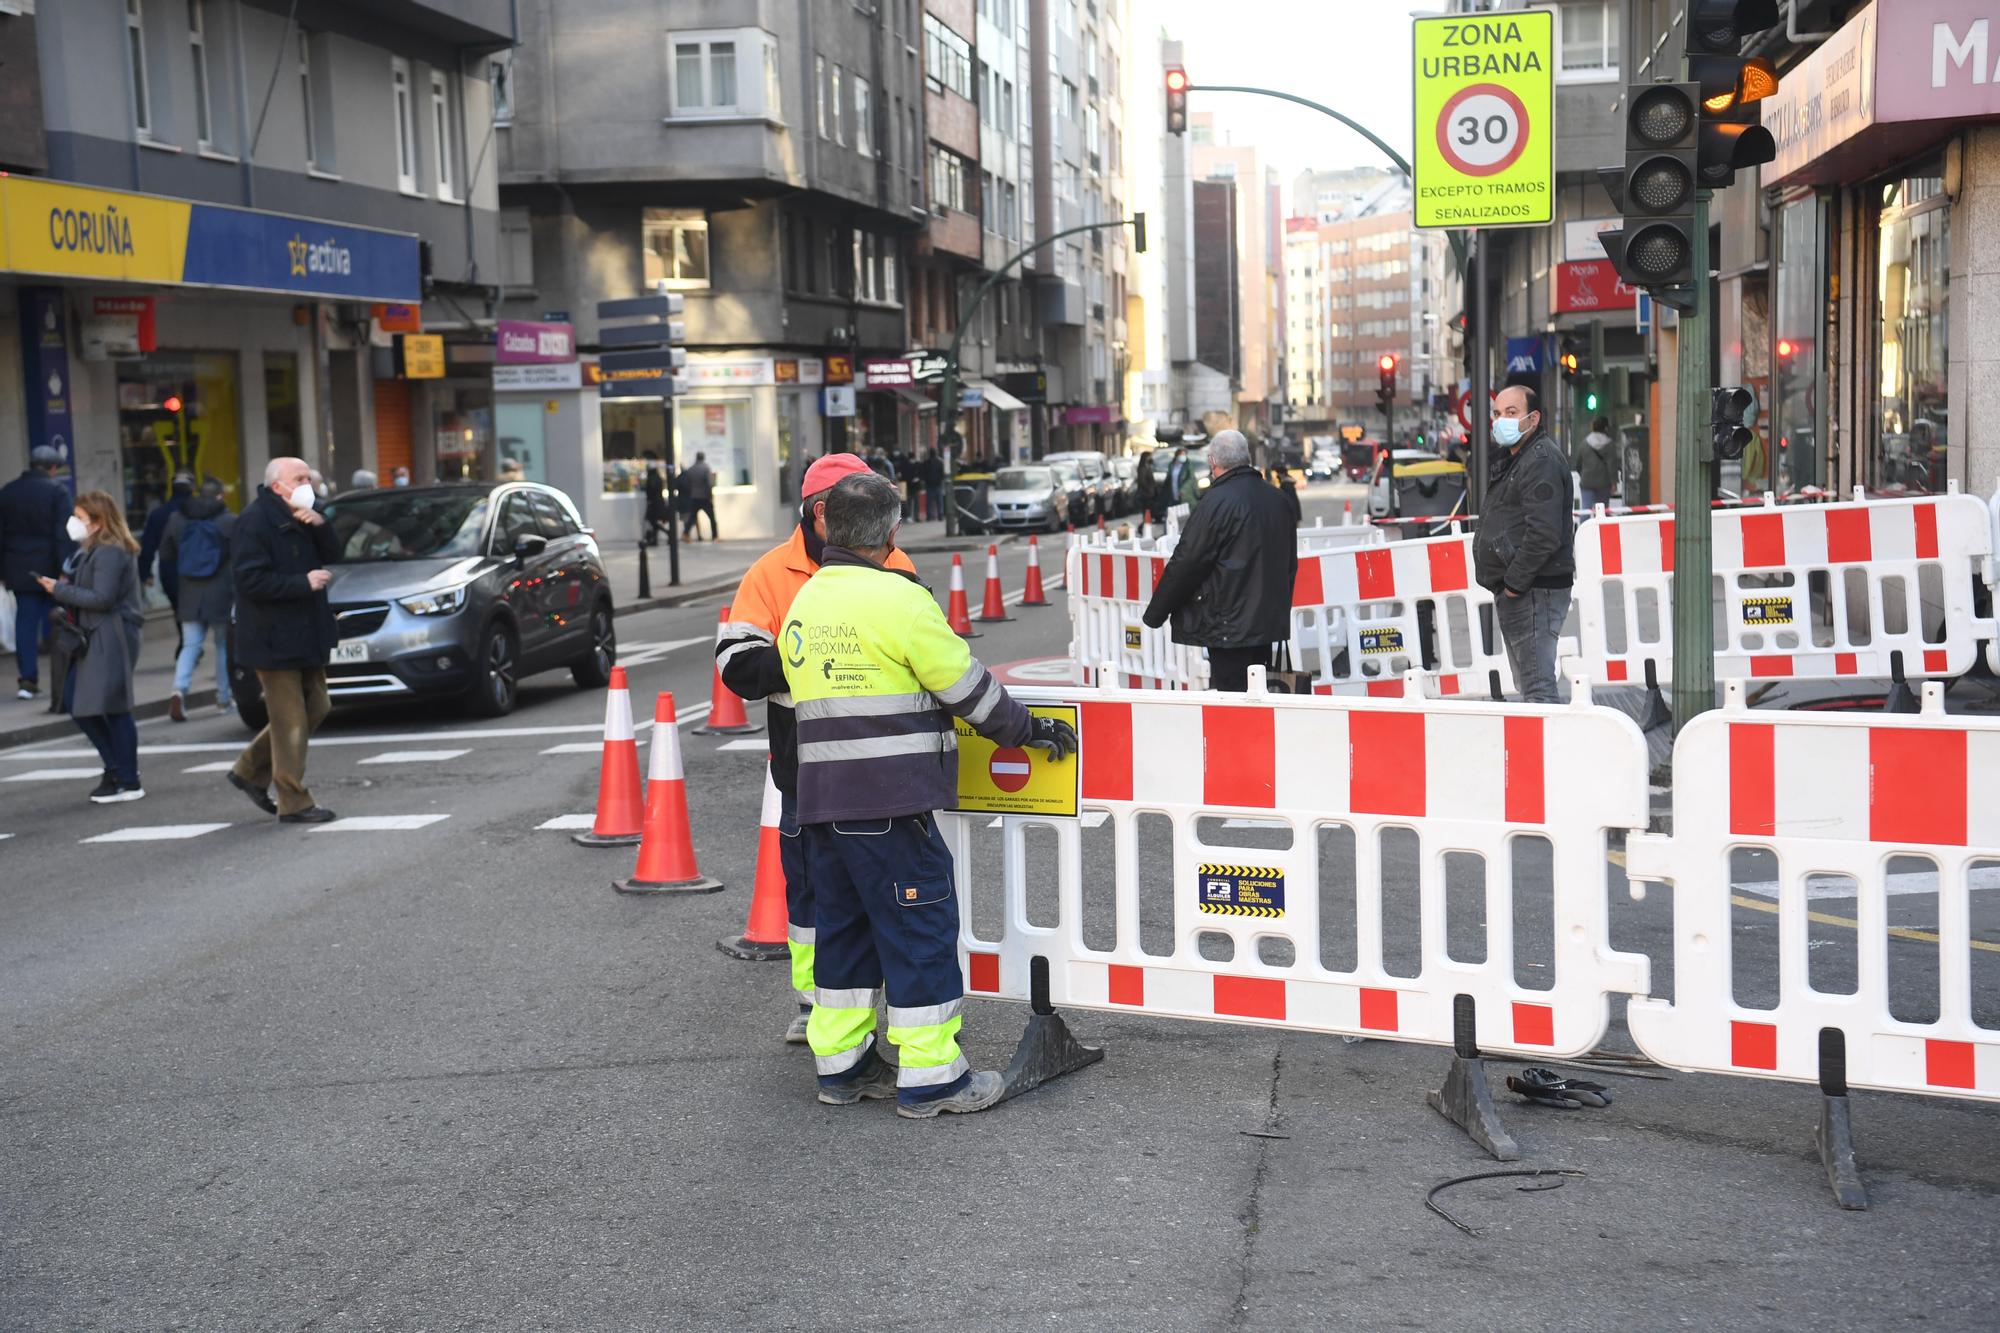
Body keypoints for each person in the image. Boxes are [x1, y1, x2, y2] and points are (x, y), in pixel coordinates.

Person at [782, 471, 1078, 1117]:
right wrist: (1030, 732)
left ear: (826, 525)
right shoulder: (902, 603)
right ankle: (933, 1077)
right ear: (890, 534)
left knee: (844, 933)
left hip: (823, 804)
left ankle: (843, 1066)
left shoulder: (805, 602)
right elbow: (968, 689)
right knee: (919, 929)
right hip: (888, 803)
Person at [716, 452, 921, 1044]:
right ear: (820, 512)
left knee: (889, 891)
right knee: (811, 893)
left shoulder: (895, 560)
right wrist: (818, 656)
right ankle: (817, 1009)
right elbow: (738, 666)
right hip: (805, 770)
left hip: (886, 765)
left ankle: (881, 1007)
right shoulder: (771, 573)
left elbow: (924, 650)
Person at [227, 457, 341, 824]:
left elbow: (335, 553)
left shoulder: (307, 513)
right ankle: (293, 800)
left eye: (310, 477)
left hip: (307, 631)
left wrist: (321, 525)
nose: (310, 484)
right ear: (278, 486)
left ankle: (248, 769)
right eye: (301, 478)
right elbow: (249, 581)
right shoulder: (255, 521)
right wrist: (301, 583)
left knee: (318, 706)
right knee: (290, 720)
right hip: (272, 637)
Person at [1141, 431, 1298, 692]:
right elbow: (1289, 563)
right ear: (1246, 458)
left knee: (1233, 698)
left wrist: (1156, 613)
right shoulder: (1278, 500)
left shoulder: (1215, 503)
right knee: (1259, 694)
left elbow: (1188, 562)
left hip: (1228, 625)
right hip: (1266, 622)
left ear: (1213, 461)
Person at [39, 492, 145, 803]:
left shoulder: (110, 553)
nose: (74, 523)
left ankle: (127, 777)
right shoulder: (95, 550)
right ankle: (117, 769)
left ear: (98, 522)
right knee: (80, 702)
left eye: (80, 518)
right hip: (98, 633)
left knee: (111, 705)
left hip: (111, 633)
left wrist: (59, 590)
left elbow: (103, 598)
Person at [1473, 385, 1575, 704]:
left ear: (1533, 419)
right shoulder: (1519, 458)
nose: (1501, 420)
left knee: (1537, 688)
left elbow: (1543, 533)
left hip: (1533, 591)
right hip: (1526, 590)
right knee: (1531, 684)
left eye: (1511, 413)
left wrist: (1514, 585)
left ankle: (1552, 752)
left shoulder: (1539, 460)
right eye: (1497, 414)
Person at [0, 445, 75, 700]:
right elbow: (63, 534)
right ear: (52, 468)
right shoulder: (57, 492)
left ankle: (28, 679)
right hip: (50, 568)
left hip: (18, 568)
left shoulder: (8, 492)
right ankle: (60, 677)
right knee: (56, 622)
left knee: (25, 623)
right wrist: (65, 568)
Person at [160, 478, 236, 721]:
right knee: (223, 646)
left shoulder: (177, 518)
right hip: (221, 591)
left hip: (189, 590)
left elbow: (166, 553)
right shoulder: (229, 520)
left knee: (191, 645)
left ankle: (179, 690)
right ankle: (224, 699)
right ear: (220, 496)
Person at [137, 470, 194, 624]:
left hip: (170, 572)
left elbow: (148, 546)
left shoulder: (158, 514)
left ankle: (188, 643)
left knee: (180, 615)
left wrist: (145, 573)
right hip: (200, 572)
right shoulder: (202, 511)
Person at [1575, 415, 1619, 514]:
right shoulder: (1610, 444)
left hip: (1586, 482)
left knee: (1586, 510)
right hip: (1603, 483)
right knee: (1602, 511)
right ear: (1605, 428)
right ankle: (1602, 529)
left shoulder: (1584, 443)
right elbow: (1612, 465)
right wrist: (1614, 482)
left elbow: (1578, 465)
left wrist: (1584, 475)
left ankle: (1585, 528)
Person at [680, 451, 717, 542]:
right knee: (712, 518)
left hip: (694, 496)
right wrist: (710, 495)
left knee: (692, 517)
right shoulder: (705, 468)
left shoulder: (691, 469)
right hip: (704, 497)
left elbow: (687, 482)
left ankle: (685, 533)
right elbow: (709, 484)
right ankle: (715, 536)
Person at [641, 452, 670, 547]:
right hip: (658, 502)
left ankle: (666, 534)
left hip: (654, 503)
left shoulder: (652, 478)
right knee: (654, 521)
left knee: (653, 521)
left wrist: (647, 492)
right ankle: (655, 539)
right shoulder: (657, 477)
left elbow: (652, 489)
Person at [920, 447, 946, 522]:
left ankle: (929, 516)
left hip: (930, 484)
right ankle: (940, 515)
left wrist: (925, 480)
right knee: (939, 501)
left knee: (929, 501)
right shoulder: (940, 462)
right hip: (937, 484)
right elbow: (942, 474)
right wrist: (940, 480)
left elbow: (923, 473)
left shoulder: (926, 462)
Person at [1134, 449, 1157, 523]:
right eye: (1149, 457)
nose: (1151, 458)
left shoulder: (1148, 467)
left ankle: (1147, 522)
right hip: (1145, 494)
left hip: (1150, 494)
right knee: (1146, 510)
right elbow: (1142, 481)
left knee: (1149, 510)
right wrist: (1149, 490)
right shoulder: (1142, 468)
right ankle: (1144, 525)